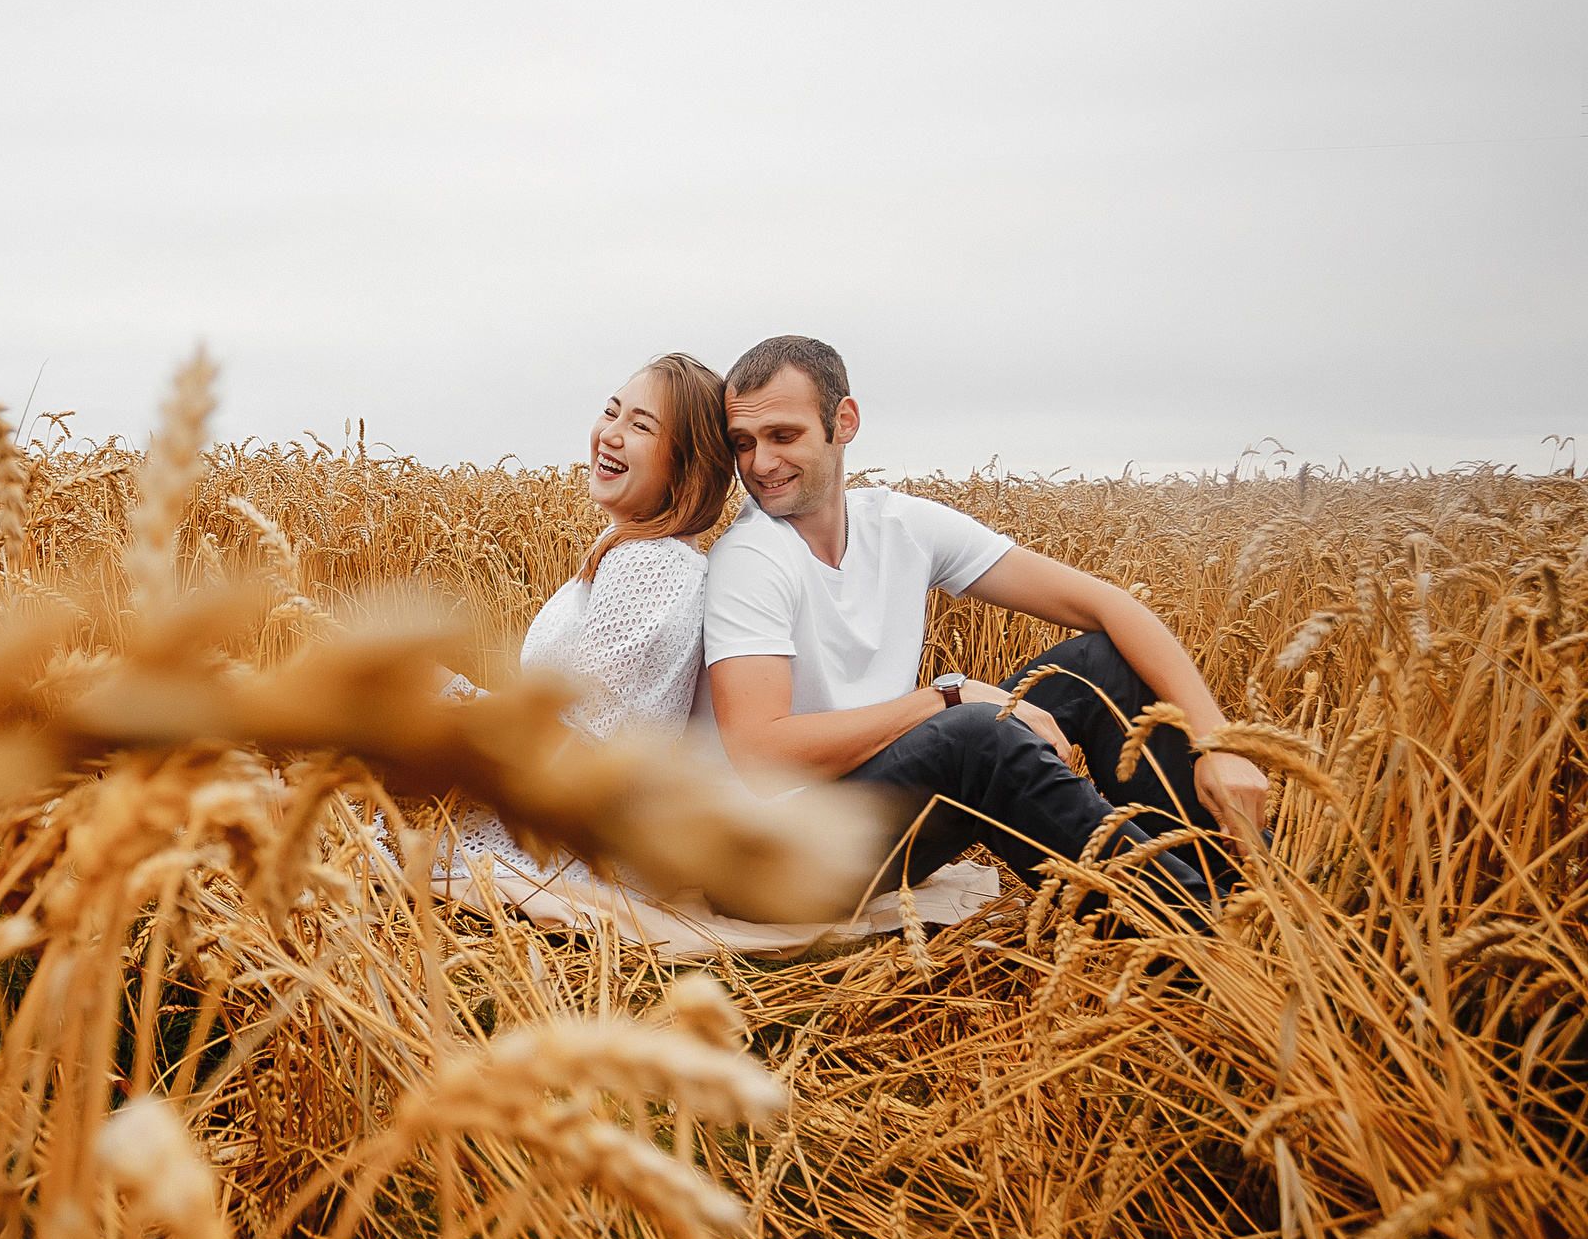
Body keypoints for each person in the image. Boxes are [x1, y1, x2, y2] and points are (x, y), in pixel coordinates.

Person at [436, 353, 998, 955]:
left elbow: (582, 743)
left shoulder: (652, 566)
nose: (612, 433)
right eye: (611, 410)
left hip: (571, 842)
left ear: (687, 462)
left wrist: (443, 697)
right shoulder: (634, 547)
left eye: (643, 426)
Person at [699, 335, 1270, 926]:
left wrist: (1218, 745)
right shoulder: (752, 557)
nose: (759, 464)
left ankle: (1239, 879)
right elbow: (761, 755)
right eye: (743, 443)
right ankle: (1200, 927)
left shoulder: (896, 524)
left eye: (782, 436)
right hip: (772, 863)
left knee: (1098, 666)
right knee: (972, 731)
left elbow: (1110, 607)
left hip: (867, 813)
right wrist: (947, 696)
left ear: (843, 422)